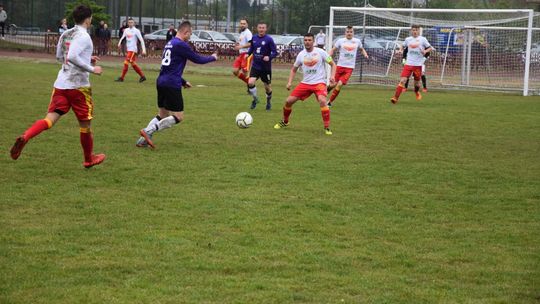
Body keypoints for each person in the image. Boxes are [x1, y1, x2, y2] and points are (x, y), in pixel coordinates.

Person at [10, 5, 105, 168]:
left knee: (50, 119)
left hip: (61, 84)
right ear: (88, 19)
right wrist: (92, 68)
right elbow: (73, 56)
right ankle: (89, 159)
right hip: (78, 87)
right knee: (85, 125)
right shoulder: (84, 36)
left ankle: (26, 136)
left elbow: (60, 57)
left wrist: (87, 60)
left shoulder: (67, 33)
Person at [136, 21, 218, 148]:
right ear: (186, 32)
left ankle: (143, 140)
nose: (190, 37)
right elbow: (198, 59)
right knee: (178, 117)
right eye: (190, 34)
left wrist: (183, 82)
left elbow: (169, 67)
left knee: (162, 114)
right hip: (171, 84)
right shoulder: (181, 45)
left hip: (162, 81)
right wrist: (213, 57)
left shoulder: (170, 43)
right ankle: (148, 131)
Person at [274, 33, 337, 135]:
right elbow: (294, 69)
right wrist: (289, 82)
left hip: (319, 83)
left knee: (322, 100)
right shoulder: (301, 54)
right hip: (305, 83)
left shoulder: (321, 52)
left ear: (313, 41)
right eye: (306, 40)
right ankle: (285, 122)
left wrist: (332, 76)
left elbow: (333, 64)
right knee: (288, 101)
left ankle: (327, 127)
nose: (307, 42)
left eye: (309, 40)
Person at [327, 25, 368, 107]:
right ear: (345, 32)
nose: (349, 33)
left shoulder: (357, 41)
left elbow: (361, 49)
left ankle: (329, 102)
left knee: (339, 84)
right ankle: (326, 90)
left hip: (349, 68)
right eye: (348, 32)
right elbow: (333, 49)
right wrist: (328, 56)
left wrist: (365, 54)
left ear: (353, 33)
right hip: (340, 66)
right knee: (333, 84)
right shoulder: (340, 41)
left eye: (351, 32)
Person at [391, 24, 432, 104]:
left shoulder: (423, 39)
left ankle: (416, 92)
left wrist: (425, 51)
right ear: (411, 31)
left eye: (416, 30)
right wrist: (400, 50)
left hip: (418, 65)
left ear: (419, 31)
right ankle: (395, 98)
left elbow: (430, 48)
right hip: (408, 63)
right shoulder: (408, 39)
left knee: (417, 84)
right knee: (403, 80)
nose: (415, 32)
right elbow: (402, 46)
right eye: (413, 30)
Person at [246, 22, 276, 110]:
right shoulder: (254, 38)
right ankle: (255, 99)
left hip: (265, 68)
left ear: (266, 29)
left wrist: (269, 57)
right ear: (257, 28)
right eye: (260, 27)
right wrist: (247, 54)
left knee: (267, 88)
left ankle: (268, 102)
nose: (261, 29)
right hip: (255, 66)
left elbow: (275, 52)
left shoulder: (269, 39)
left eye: (263, 28)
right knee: (250, 82)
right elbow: (252, 48)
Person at [115, 18, 146, 82]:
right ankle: (142, 76)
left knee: (126, 62)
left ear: (134, 23)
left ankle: (122, 78)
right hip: (128, 49)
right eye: (129, 22)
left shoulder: (136, 31)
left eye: (132, 22)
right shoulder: (126, 30)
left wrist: (144, 50)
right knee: (133, 64)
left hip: (133, 50)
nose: (130, 24)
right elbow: (122, 37)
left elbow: (141, 40)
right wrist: (119, 43)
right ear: (128, 23)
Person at [232, 18, 252, 86]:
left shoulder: (248, 33)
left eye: (244, 24)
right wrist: (237, 45)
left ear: (247, 25)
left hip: (246, 54)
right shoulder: (242, 32)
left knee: (245, 72)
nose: (242, 25)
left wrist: (241, 47)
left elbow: (250, 44)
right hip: (241, 54)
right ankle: (250, 83)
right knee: (235, 71)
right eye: (241, 23)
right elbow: (241, 43)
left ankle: (250, 87)